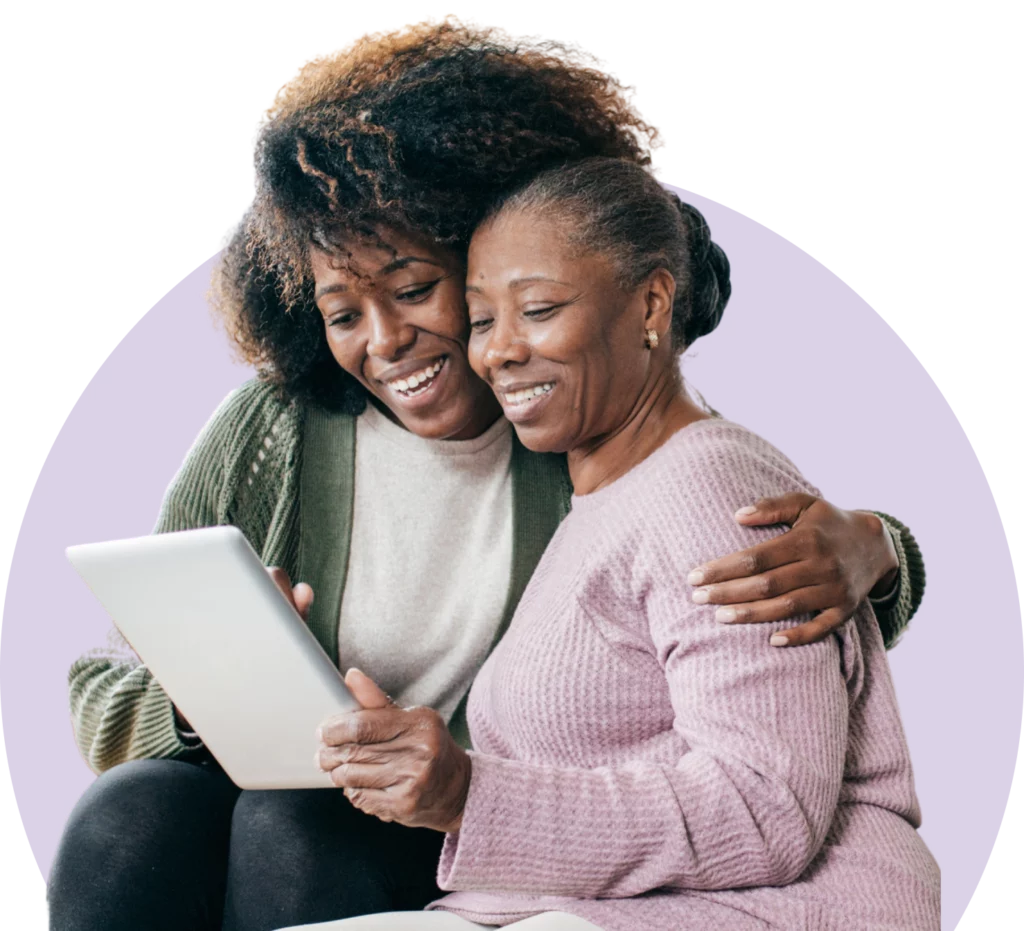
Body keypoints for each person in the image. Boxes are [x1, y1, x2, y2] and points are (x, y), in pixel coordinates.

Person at [49, 20, 926, 931]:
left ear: (483, 258)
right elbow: (104, 685)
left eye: (415, 289)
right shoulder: (269, 432)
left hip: (489, 819)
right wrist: (209, 688)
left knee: (299, 823)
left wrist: (877, 549)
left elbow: (744, 594)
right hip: (304, 787)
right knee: (125, 814)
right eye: (342, 311)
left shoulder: (580, 425)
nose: (385, 342)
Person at [298, 157, 942, 930]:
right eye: (480, 319)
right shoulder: (604, 500)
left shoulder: (710, 489)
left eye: (536, 309)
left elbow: (763, 807)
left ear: (651, 303)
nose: (497, 351)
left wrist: (470, 794)